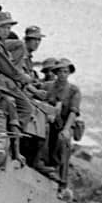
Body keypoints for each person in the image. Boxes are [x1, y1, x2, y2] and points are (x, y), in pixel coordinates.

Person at [43, 58, 81, 189]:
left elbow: (73, 112)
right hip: (51, 121)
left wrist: (65, 129)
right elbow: (37, 90)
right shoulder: (48, 86)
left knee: (63, 141)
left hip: (66, 123)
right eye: (60, 71)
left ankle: (62, 180)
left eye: (66, 71)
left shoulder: (73, 90)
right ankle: (43, 165)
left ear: (69, 73)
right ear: (56, 73)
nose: (63, 74)